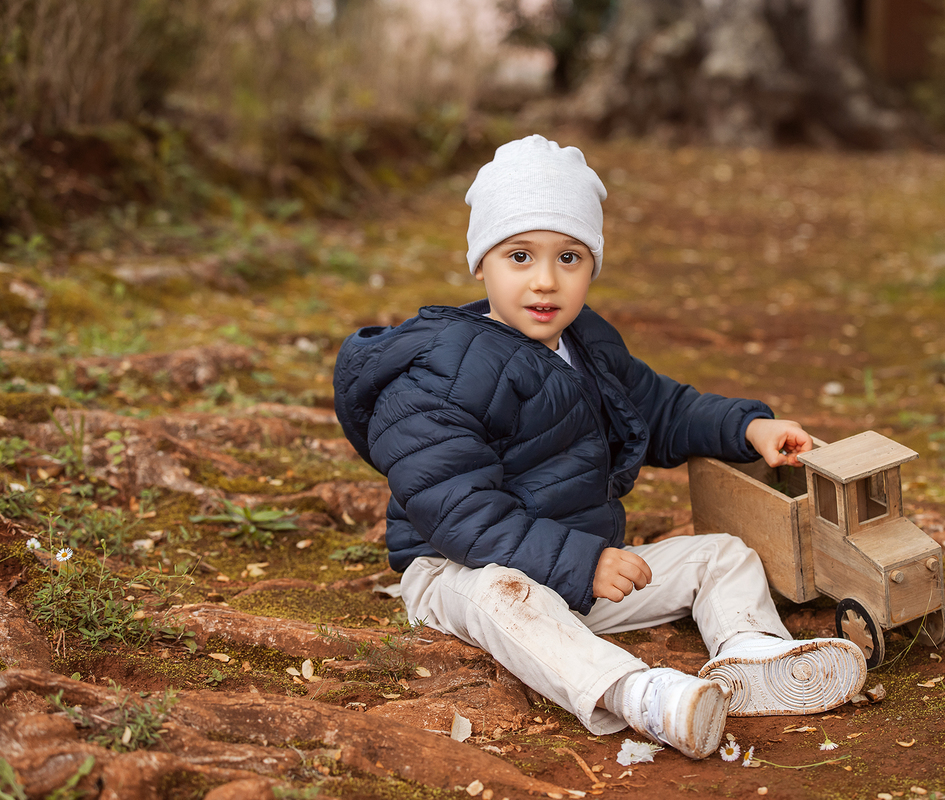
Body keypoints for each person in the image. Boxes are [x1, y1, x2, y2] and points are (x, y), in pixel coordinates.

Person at [333, 135, 867, 760]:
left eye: (570, 258)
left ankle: (751, 656)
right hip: (459, 570)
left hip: (583, 569)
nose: (545, 280)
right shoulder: (438, 374)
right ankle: (639, 696)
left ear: (592, 267)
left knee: (721, 556)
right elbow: (461, 515)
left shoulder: (586, 344)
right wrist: (579, 562)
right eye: (520, 255)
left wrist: (748, 428)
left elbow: (660, 407)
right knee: (506, 596)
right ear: (481, 262)